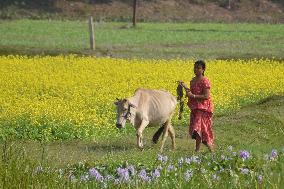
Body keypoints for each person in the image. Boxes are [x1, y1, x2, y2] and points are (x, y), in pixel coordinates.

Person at [180, 60, 214, 152]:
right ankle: (210, 150)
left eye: (198, 68)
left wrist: (193, 96)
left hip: (203, 108)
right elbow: (191, 93)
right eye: (195, 67)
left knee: (198, 129)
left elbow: (206, 96)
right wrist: (184, 87)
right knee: (198, 130)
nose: (196, 69)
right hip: (195, 108)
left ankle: (197, 151)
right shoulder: (193, 80)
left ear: (203, 70)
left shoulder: (205, 80)